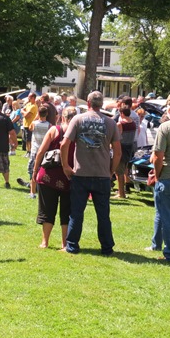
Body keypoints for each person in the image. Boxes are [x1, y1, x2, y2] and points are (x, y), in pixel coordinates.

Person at [60, 90, 121, 255]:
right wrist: (111, 171)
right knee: (103, 214)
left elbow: (64, 144)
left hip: (81, 174)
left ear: (88, 103)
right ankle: (107, 248)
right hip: (102, 175)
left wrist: (66, 166)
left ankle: (72, 246)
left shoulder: (78, 119)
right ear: (101, 104)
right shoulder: (110, 123)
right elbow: (118, 152)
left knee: (76, 213)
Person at [33, 106, 77, 249]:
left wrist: (35, 170)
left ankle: (45, 242)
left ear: (63, 117)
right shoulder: (78, 134)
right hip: (69, 176)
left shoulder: (54, 130)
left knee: (47, 209)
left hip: (48, 176)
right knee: (67, 212)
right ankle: (65, 243)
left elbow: (41, 151)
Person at [151, 93, 170, 264]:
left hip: (169, 176)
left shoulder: (166, 127)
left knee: (169, 218)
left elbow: (157, 156)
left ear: (169, 110)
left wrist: (157, 175)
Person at [114, 104, 137, 199]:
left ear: (122, 113)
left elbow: (116, 138)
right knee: (124, 170)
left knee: (119, 172)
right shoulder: (133, 123)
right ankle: (121, 191)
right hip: (130, 148)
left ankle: (121, 193)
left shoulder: (120, 124)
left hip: (121, 149)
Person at [21, 92, 38, 157]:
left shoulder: (33, 106)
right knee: (26, 139)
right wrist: (24, 112)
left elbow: (27, 115)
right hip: (25, 124)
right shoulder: (28, 104)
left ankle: (30, 152)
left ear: (33, 98)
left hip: (30, 125)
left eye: (29, 97)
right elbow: (22, 110)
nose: (28, 98)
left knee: (29, 139)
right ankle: (28, 151)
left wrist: (24, 112)